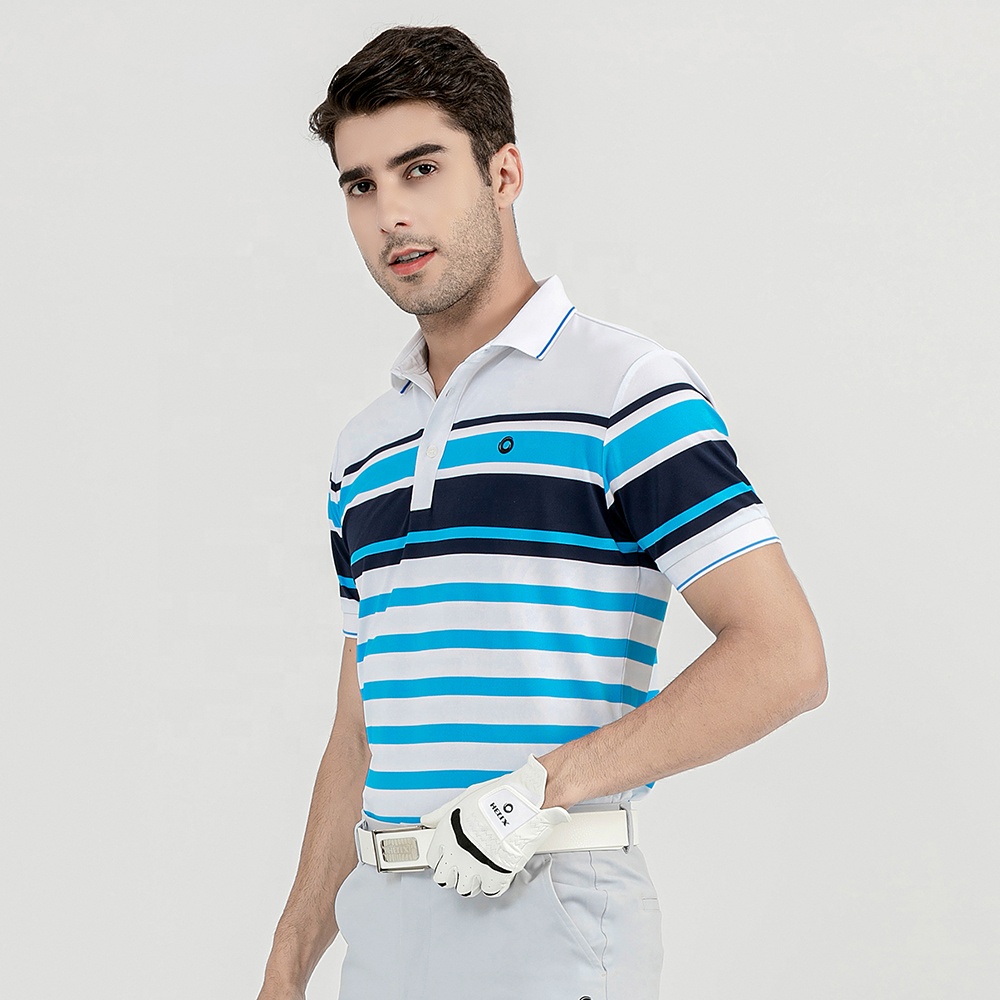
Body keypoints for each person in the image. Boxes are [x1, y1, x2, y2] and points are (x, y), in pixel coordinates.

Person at [256, 24, 827, 1000]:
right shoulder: (365, 451)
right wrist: (283, 971)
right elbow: (358, 731)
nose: (392, 214)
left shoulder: (625, 391)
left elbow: (784, 655)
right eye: (361, 185)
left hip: (548, 915)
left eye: (421, 168)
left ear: (504, 173)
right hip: (383, 932)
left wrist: (540, 788)